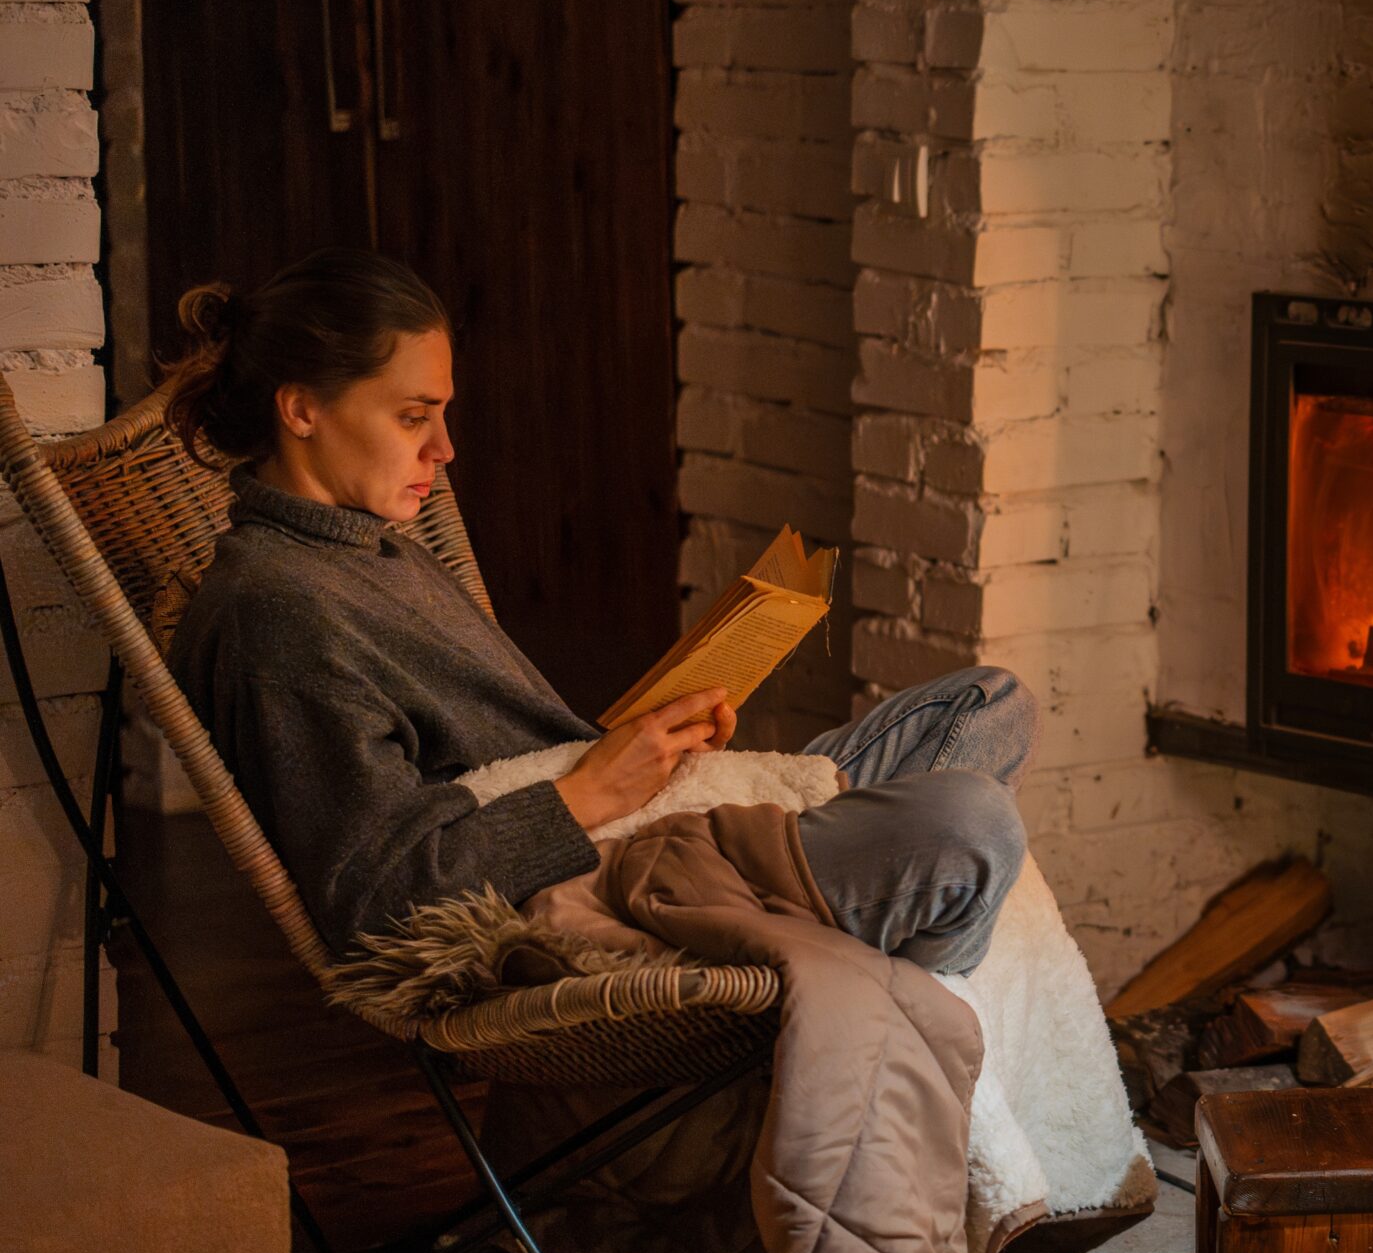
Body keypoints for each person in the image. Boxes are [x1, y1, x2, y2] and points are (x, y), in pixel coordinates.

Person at [161, 246, 1029, 967]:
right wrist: (591, 793)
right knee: (971, 821)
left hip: (652, 822)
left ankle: (864, 969)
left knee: (988, 705)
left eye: (442, 414)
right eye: (413, 416)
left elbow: (509, 747)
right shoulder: (276, 614)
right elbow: (376, 897)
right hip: (622, 880)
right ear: (302, 409)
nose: (444, 448)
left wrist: (653, 746)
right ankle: (900, 1031)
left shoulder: (370, 543)